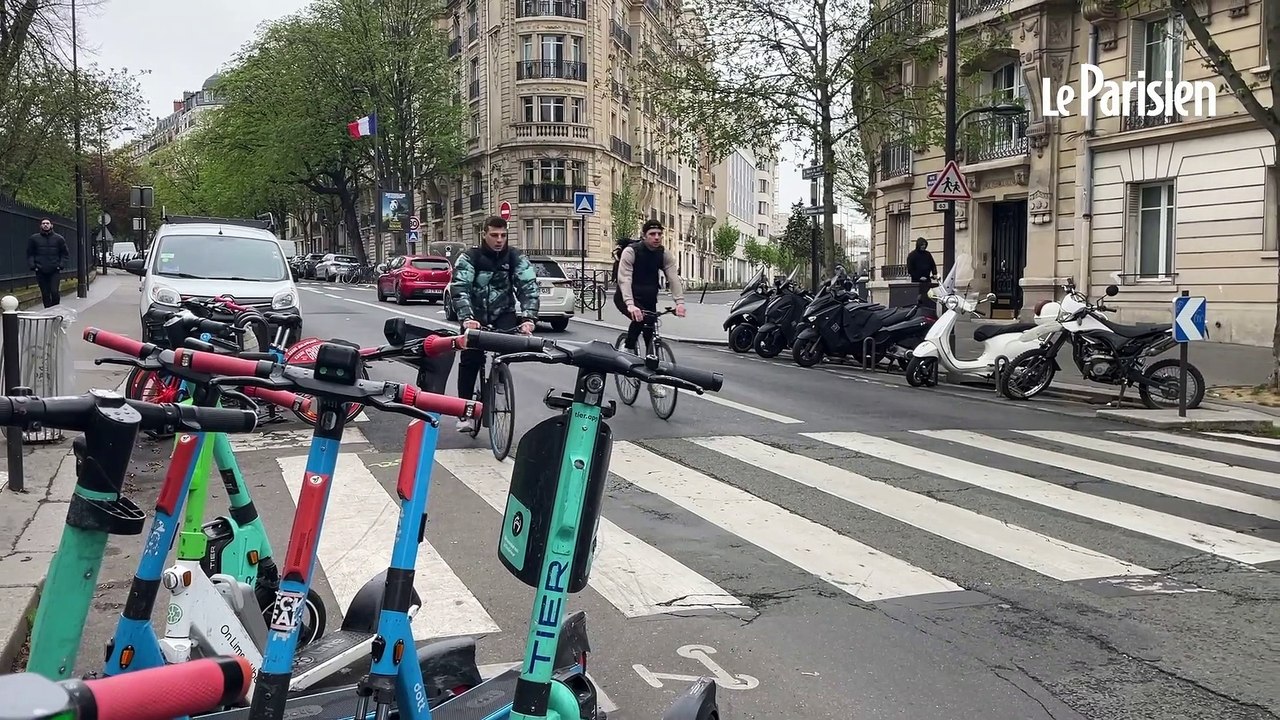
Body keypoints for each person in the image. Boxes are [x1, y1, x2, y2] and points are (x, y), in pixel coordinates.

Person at [449, 215, 540, 433]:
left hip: (503, 313)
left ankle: (499, 378)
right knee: (470, 358)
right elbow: (460, 288)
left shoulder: (515, 257)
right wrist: (467, 318)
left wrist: (528, 318)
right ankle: (466, 411)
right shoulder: (470, 257)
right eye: (494, 235)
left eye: (503, 235)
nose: (499, 240)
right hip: (474, 314)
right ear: (484, 234)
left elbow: (528, 286)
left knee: (505, 350)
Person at [613, 219, 686, 360]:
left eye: (659, 234)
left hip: (649, 298)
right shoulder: (631, 251)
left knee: (649, 331)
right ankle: (628, 348)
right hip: (626, 296)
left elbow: (673, 278)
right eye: (652, 234)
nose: (657, 237)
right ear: (644, 235)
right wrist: (630, 304)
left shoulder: (664, 254)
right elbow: (625, 279)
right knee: (639, 319)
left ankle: (650, 364)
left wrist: (680, 302)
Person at [26, 219, 69, 308]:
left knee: (54, 292)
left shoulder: (59, 239)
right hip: (40, 270)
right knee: (45, 294)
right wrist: (33, 266)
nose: (45, 225)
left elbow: (64, 253)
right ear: (41, 226)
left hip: (54, 270)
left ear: (51, 225)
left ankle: (55, 309)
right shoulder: (34, 238)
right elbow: (30, 253)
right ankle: (48, 311)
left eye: (47, 223)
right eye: (43, 223)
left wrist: (60, 265)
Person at [906, 236, 937, 303]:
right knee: (918, 299)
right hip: (916, 282)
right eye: (922, 245)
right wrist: (919, 277)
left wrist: (934, 273)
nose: (923, 246)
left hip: (927, 280)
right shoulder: (912, 255)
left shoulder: (928, 254)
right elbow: (910, 269)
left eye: (925, 245)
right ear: (918, 245)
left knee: (928, 298)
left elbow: (933, 265)